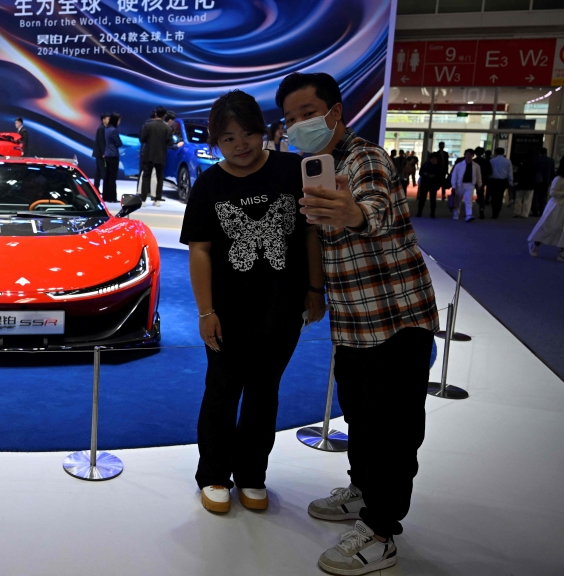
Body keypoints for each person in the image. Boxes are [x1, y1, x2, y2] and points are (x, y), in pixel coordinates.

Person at [279, 72, 439, 576]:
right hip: (353, 322)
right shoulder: (314, 168)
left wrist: (351, 212)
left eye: (308, 113)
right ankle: (364, 491)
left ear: (335, 112)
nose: (299, 125)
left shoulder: (365, 159)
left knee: (394, 428)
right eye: (290, 119)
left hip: (396, 319)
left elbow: (373, 209)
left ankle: (382, 530)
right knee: (361, 417)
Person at [182, 90, 325, 516]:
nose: (240, 144)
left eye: (247, 133)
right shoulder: (210, 184)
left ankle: (252, 475)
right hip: (228, 312)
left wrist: (316, 290)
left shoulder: (293, 170)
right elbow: (200, 250)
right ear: (216, 142)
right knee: (222, 392)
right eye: (228, 138)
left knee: (265, 394)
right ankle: (213, 474)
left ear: (264, 131)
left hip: (282, 308)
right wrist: (206, 312)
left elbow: (310, 234)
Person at [527, 156, 564, 262]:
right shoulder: (559, 179)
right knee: (550, 227)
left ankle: (563, 251)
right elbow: (553, 192)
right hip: (557, 207)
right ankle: (535, 243)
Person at [139, 106, 174, 206]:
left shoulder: (147, 126)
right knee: (159, 178)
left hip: (148, 155)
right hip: (161, 156)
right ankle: (157, 200)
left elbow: (142, 139)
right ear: (164, 116)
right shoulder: (167, 128)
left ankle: (143, 200)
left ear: (156, 114)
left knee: (146, 177)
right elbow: (170, 143)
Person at [450, 148, 481, 222]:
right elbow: (454, 176)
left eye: (470, 154)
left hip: (470, 184)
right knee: (458, 200)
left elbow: (478, 176)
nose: (469, 156)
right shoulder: (459, 165)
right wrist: (453, 185)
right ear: (465, 155)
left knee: (468, 200)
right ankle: (456, 214)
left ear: (473, 155)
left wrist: (479, 184)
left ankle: (468, 215)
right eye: (467, 154)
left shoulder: (476, 166)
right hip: (460, 184)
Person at [101, 113, 122, 203]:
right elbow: (119, 143)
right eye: (119, 120)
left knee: (107, 176)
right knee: (112, 177)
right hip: (113, 155)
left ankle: (105, 196)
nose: (119, 122)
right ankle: (112, 197)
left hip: (107, 154)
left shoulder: (106, 129)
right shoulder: (114, 130)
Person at [487, 147, 513, 218]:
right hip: (503, 181)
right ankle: (497, 211)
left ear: (495, 152)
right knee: (500, 196)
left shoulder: (492, 160)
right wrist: (510, 181)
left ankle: (494, 211)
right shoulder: (508, 161)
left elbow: (489, 171)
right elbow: (510, 172)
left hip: (493, 180)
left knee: (493, 196)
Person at [415, 153, 442, 218]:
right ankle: (419, 212)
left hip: (433, 184)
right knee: (422, 199)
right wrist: (426, 174)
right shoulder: (426, 165)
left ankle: (432, 213)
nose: (433, 160)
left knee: (433, 199)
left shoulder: (439, 166)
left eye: (435, 159)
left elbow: (440, 175)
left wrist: (435, 176)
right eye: (432, 159)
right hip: (425, 183)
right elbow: (420, 172)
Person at [532, 147, 556, 216]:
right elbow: (552, 172)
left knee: (535, 196)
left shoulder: (536, 160)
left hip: (537, 181)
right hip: (546, 181)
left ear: (540, 153)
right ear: (546, 152)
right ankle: (542, 211)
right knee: (544, 196)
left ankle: (535, 211)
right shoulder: (551, 160)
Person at [513, 153, 537, 218]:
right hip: (530, 185)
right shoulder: (533, 166)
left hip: (521, 184)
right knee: (528, 200)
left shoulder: (521, 166)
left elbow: (518, 175)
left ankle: (517, 212)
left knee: (518, 199)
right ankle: (525, 214)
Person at [91, 113, 110, 194]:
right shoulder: (101, 128)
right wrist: (104, 152)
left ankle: (95, 189)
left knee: (98, 173)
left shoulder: (103, 128)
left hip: (99, 153)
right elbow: (101, 142)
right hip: (100, 154)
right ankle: (105, 191)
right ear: (103, 120)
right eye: (108, 119)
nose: (109, 120)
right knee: (103, 172)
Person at [473, 147, 491, 219]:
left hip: (473, 180)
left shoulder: (473, 161)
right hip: (482, 180)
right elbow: (489, 171)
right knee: (481, 195)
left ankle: (469, 211)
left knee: (469, 195)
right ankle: (482, 209)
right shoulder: (486, 161)